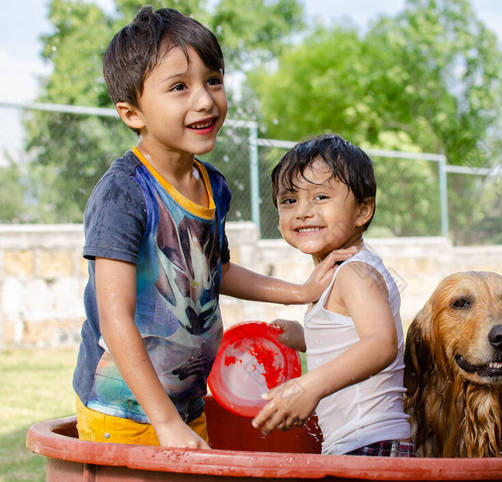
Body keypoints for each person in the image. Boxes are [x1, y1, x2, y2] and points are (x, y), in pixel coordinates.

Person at [72, 7, 355, 450]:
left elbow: (213, 271)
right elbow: (115, 319)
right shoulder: (124, 194)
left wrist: (300, 291)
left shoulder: (212, 186)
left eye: (213, 80)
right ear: (132, 113)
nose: (204, 100)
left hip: (187, 405)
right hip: (125, 413)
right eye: (179, 87)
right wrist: (163, 422)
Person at [251, 134, 414, 457]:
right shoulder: (336, 274)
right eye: (289, 200)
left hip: (370, 442)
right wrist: (303, 337)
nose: (302, 211)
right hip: (359, 442)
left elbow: (380, 344)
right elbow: (351, 340)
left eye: (321, 196)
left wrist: (310, 386)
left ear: (362, 210)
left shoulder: (355, 273)